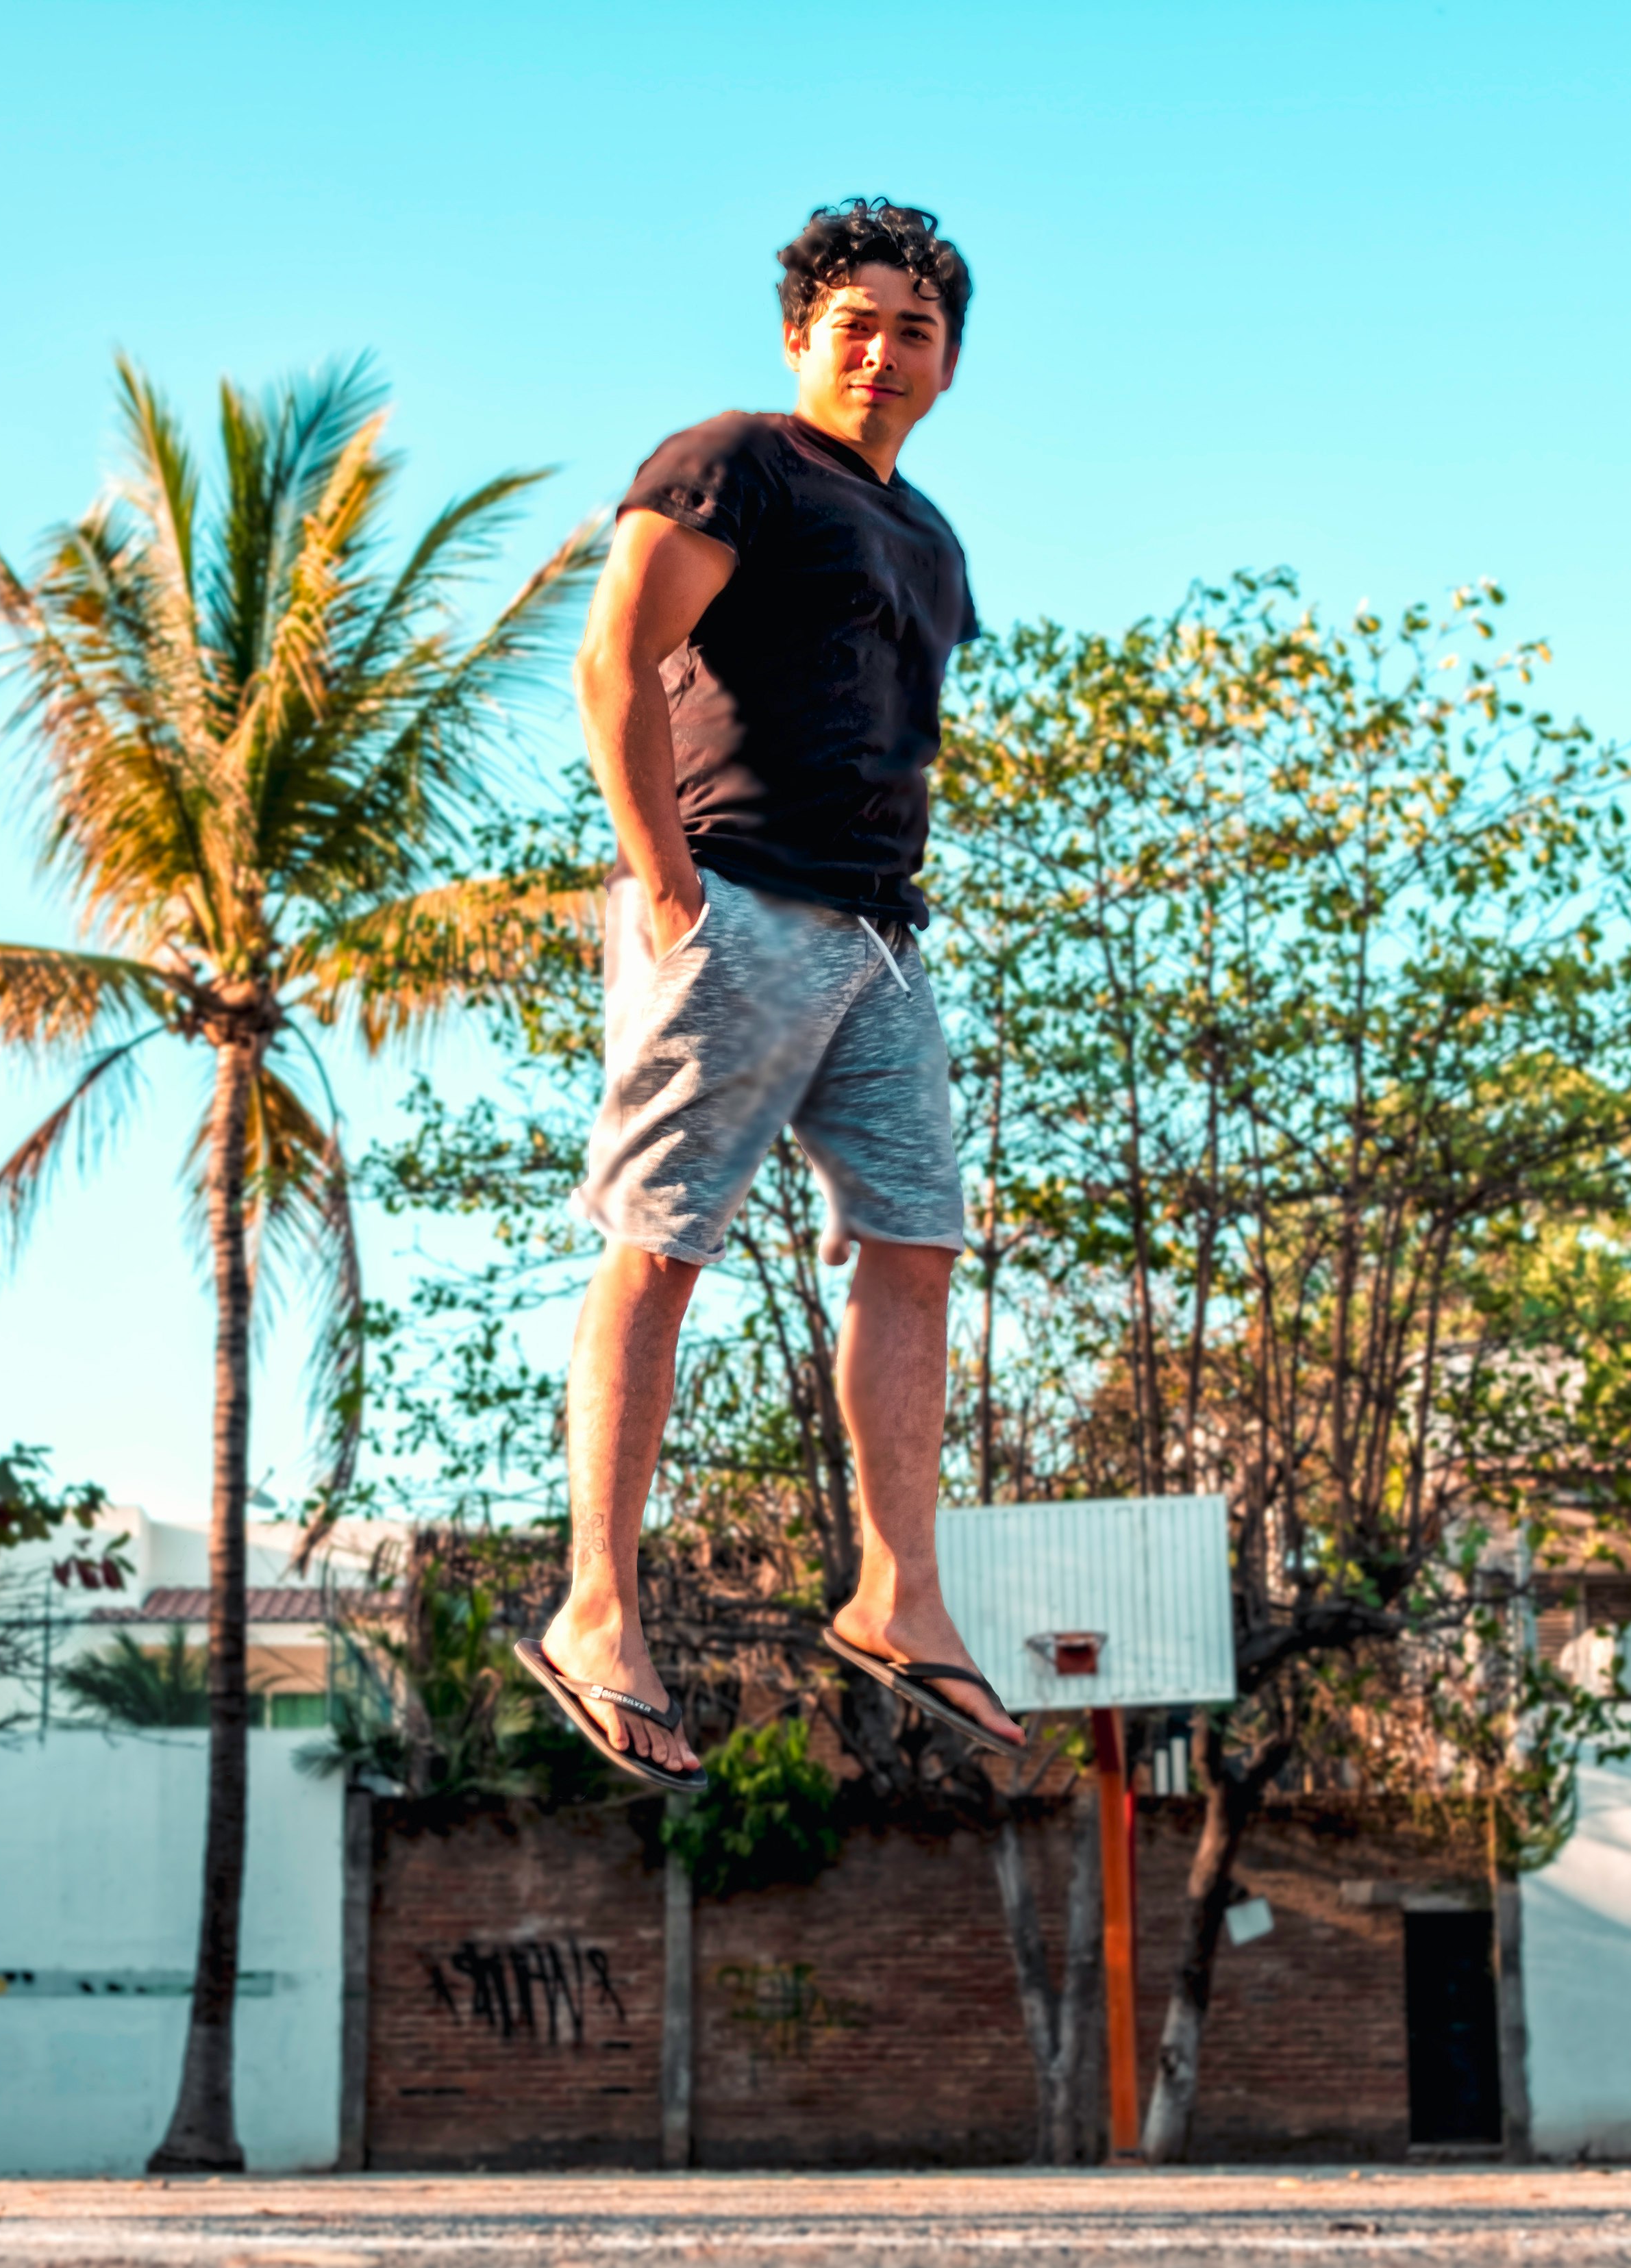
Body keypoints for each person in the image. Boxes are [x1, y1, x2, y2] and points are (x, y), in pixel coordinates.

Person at [518, 197, 1028, 1789]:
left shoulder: (930, 536)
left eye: (917, 329)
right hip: (734, 903)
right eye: (855, 321)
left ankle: (898, 1593)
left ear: (950, 365)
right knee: (661, 1245)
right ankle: (598, 1611)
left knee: (920, 1241)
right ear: (805, 336)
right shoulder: (735, 457)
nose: (884, 350)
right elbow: (615, 660)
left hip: (880, 937)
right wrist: (668, 888)